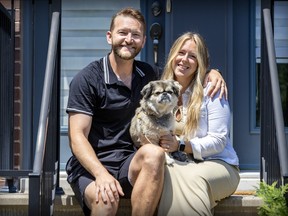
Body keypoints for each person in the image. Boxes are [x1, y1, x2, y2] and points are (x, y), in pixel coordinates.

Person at [65, 8, 226, 216]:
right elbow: (77, 136)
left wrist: (212, 73)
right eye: (122, 33)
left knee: (154, 153)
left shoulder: (149, 74)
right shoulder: (88, 79)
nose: (128, 40)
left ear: (142, 42)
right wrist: (101, 174)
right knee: (106, 201)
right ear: (109, 36)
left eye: (136, 35)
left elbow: (183, 75)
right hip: (92, 165)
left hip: (129, 161)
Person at [157, 32, 240, 216]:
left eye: (192, 56)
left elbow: (219, 141)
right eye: (181, 53)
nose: (184, 59)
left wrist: (181, 145)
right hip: (181, 164)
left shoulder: (212, 89)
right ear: (173, 55)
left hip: (219, 164)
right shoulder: (161, 91)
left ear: (200, 63)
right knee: (170, 176)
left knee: (190, 178)